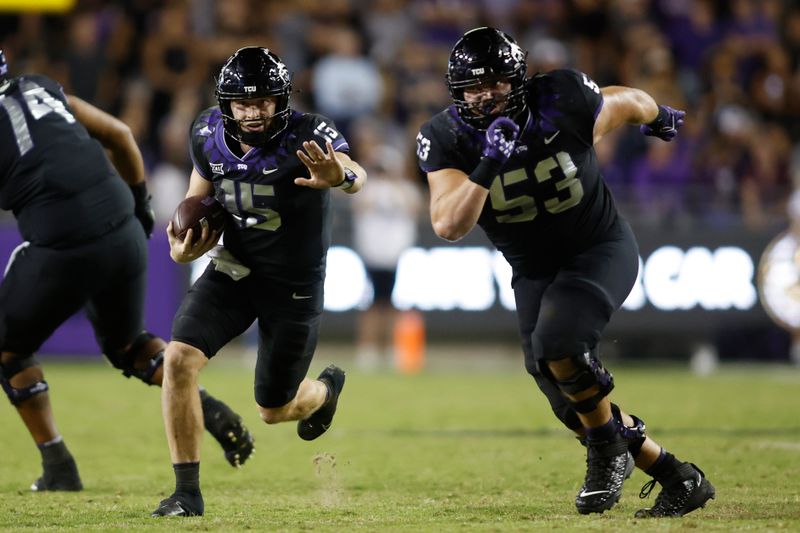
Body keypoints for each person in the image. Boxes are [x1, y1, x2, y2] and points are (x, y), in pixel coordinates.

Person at [416, 27, 715, 518]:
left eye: (495, 82)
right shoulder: (443, 137)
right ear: (456, 90)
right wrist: (489, 162)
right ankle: (678, 476)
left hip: (597, 248)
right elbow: (449, 223)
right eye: (473, 86)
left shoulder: (562, 98)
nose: (485, 94)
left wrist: (657, 113)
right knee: (563, 395)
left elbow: (621, 102)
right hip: (534, 271)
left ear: (518, 79)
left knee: (560, 347)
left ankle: (605, 456)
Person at [0, 49, 254, 493]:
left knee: (8, 350)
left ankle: (58, 464)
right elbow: (119, 133)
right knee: (128, 345)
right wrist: (139, 207)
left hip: (63, 241)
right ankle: (206, 406)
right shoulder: (41, 87)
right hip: (123, 223)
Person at [151, 46, 366, 518]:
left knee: (273, 408)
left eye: (264, 101)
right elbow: (197, 197)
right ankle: (186, 492)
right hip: (234, 269)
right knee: (179, 359)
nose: (253, 111)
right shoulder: (206, 130)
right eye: (243, 102)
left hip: (292, 284)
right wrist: (181, 246)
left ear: (281, 99)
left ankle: (324, 393)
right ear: (226, 102)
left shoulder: (307, 132)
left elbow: (356, 172)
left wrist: (339, 176)